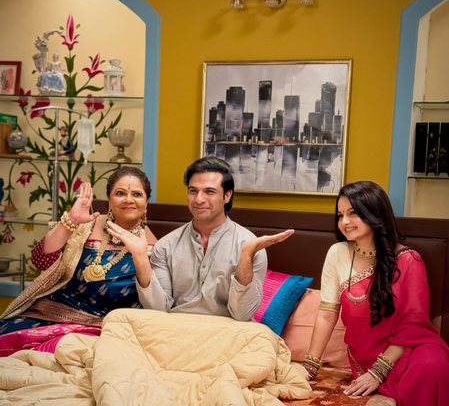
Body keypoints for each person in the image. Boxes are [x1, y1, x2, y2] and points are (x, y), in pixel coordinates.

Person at [304, 181, 449, 405]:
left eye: (353, 213)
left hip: (407, 348)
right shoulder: (337, 253)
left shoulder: (409, 260)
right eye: (340, 215)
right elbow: (326, 313)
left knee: (433, 364)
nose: (344, 222)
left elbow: (413, 325)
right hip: (366, 355)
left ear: (374, 213)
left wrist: (379, 371)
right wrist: (310, 366)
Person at [0, 166, 157, 355]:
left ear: (147, 202)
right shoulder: (84, 227)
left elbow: (155, 304)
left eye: (137, 194)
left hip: (103, 331)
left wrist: (140, 256)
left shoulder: (157, 249)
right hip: (49, 317)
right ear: (109, 199)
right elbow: (40, 261)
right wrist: (71, 220)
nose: (128, 199)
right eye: (120, 193)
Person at [134, 156, 293, 321]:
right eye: (193, 191)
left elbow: (243, 315)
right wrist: (140, 257)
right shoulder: (166, 246)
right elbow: (158, 310)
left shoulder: (251, 246)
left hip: (230, 331)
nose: (198, 199)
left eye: (209, 191)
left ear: (227, 196)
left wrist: (246, 256)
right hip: (177, 329)